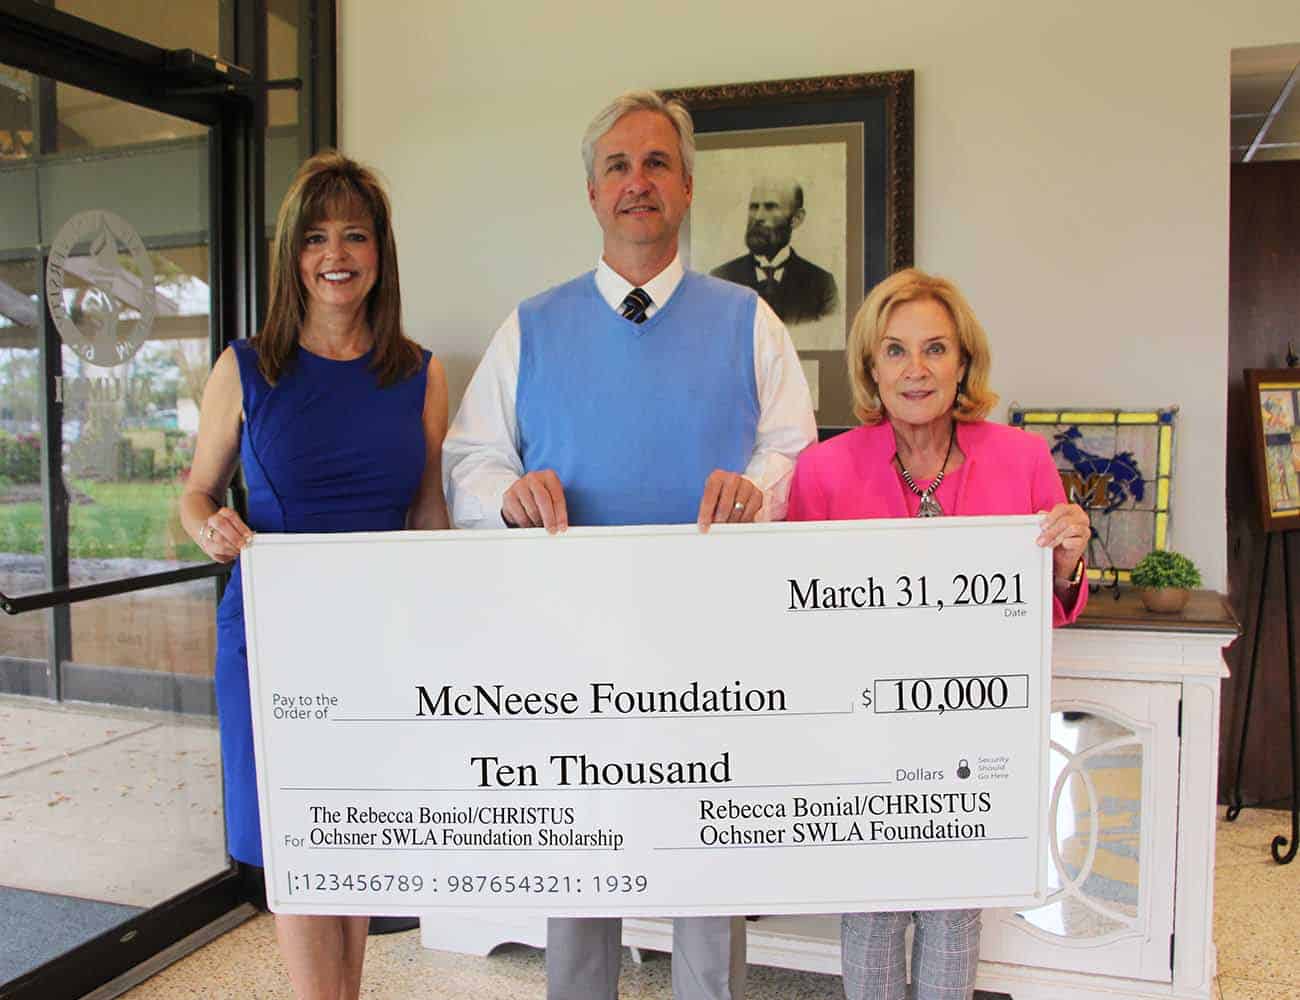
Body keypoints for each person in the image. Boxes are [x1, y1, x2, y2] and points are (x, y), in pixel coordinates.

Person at [442, 91, 817, 1000]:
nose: (637, 182)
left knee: (705, 857)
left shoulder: (749, 321)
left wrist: (755, 490)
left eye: (656, 164)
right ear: (591, 193)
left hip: (711, 643)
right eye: (617, 165)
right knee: (578, 853)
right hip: (571, 645)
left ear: (687, 188)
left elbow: (795, 453)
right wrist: (510, 495)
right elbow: (469, 463)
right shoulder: (530, 327)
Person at [179, 151, 448, 1000]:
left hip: (380, 634)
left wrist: (450, 634)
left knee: (358, 834)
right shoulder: (246, 367)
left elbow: (430, 516)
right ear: (293, 254)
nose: (336, 253)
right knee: (300, 841)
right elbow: (193, 492)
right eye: (317, 237)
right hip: (272, 637)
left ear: (380, 252)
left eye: (356, 235)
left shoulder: (420, 372)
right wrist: (209, 526)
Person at [785, 267, 1088, 1000]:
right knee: (871, 915)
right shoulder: (822, 471)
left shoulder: (1023, 460)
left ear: (963, 363)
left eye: (934, 349)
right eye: (894, 351)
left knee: (955, 917)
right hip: (864, 736)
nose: (915, 370)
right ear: (870, 367)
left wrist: (1070, 557)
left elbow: (1049, 606)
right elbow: (793, 618)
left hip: (975, 734)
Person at [710, 178, 838, 325]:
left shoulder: (822, 285)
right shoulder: (721, 280)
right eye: (754, 207)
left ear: (796, 219)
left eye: (770, 207)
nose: (758, 217)